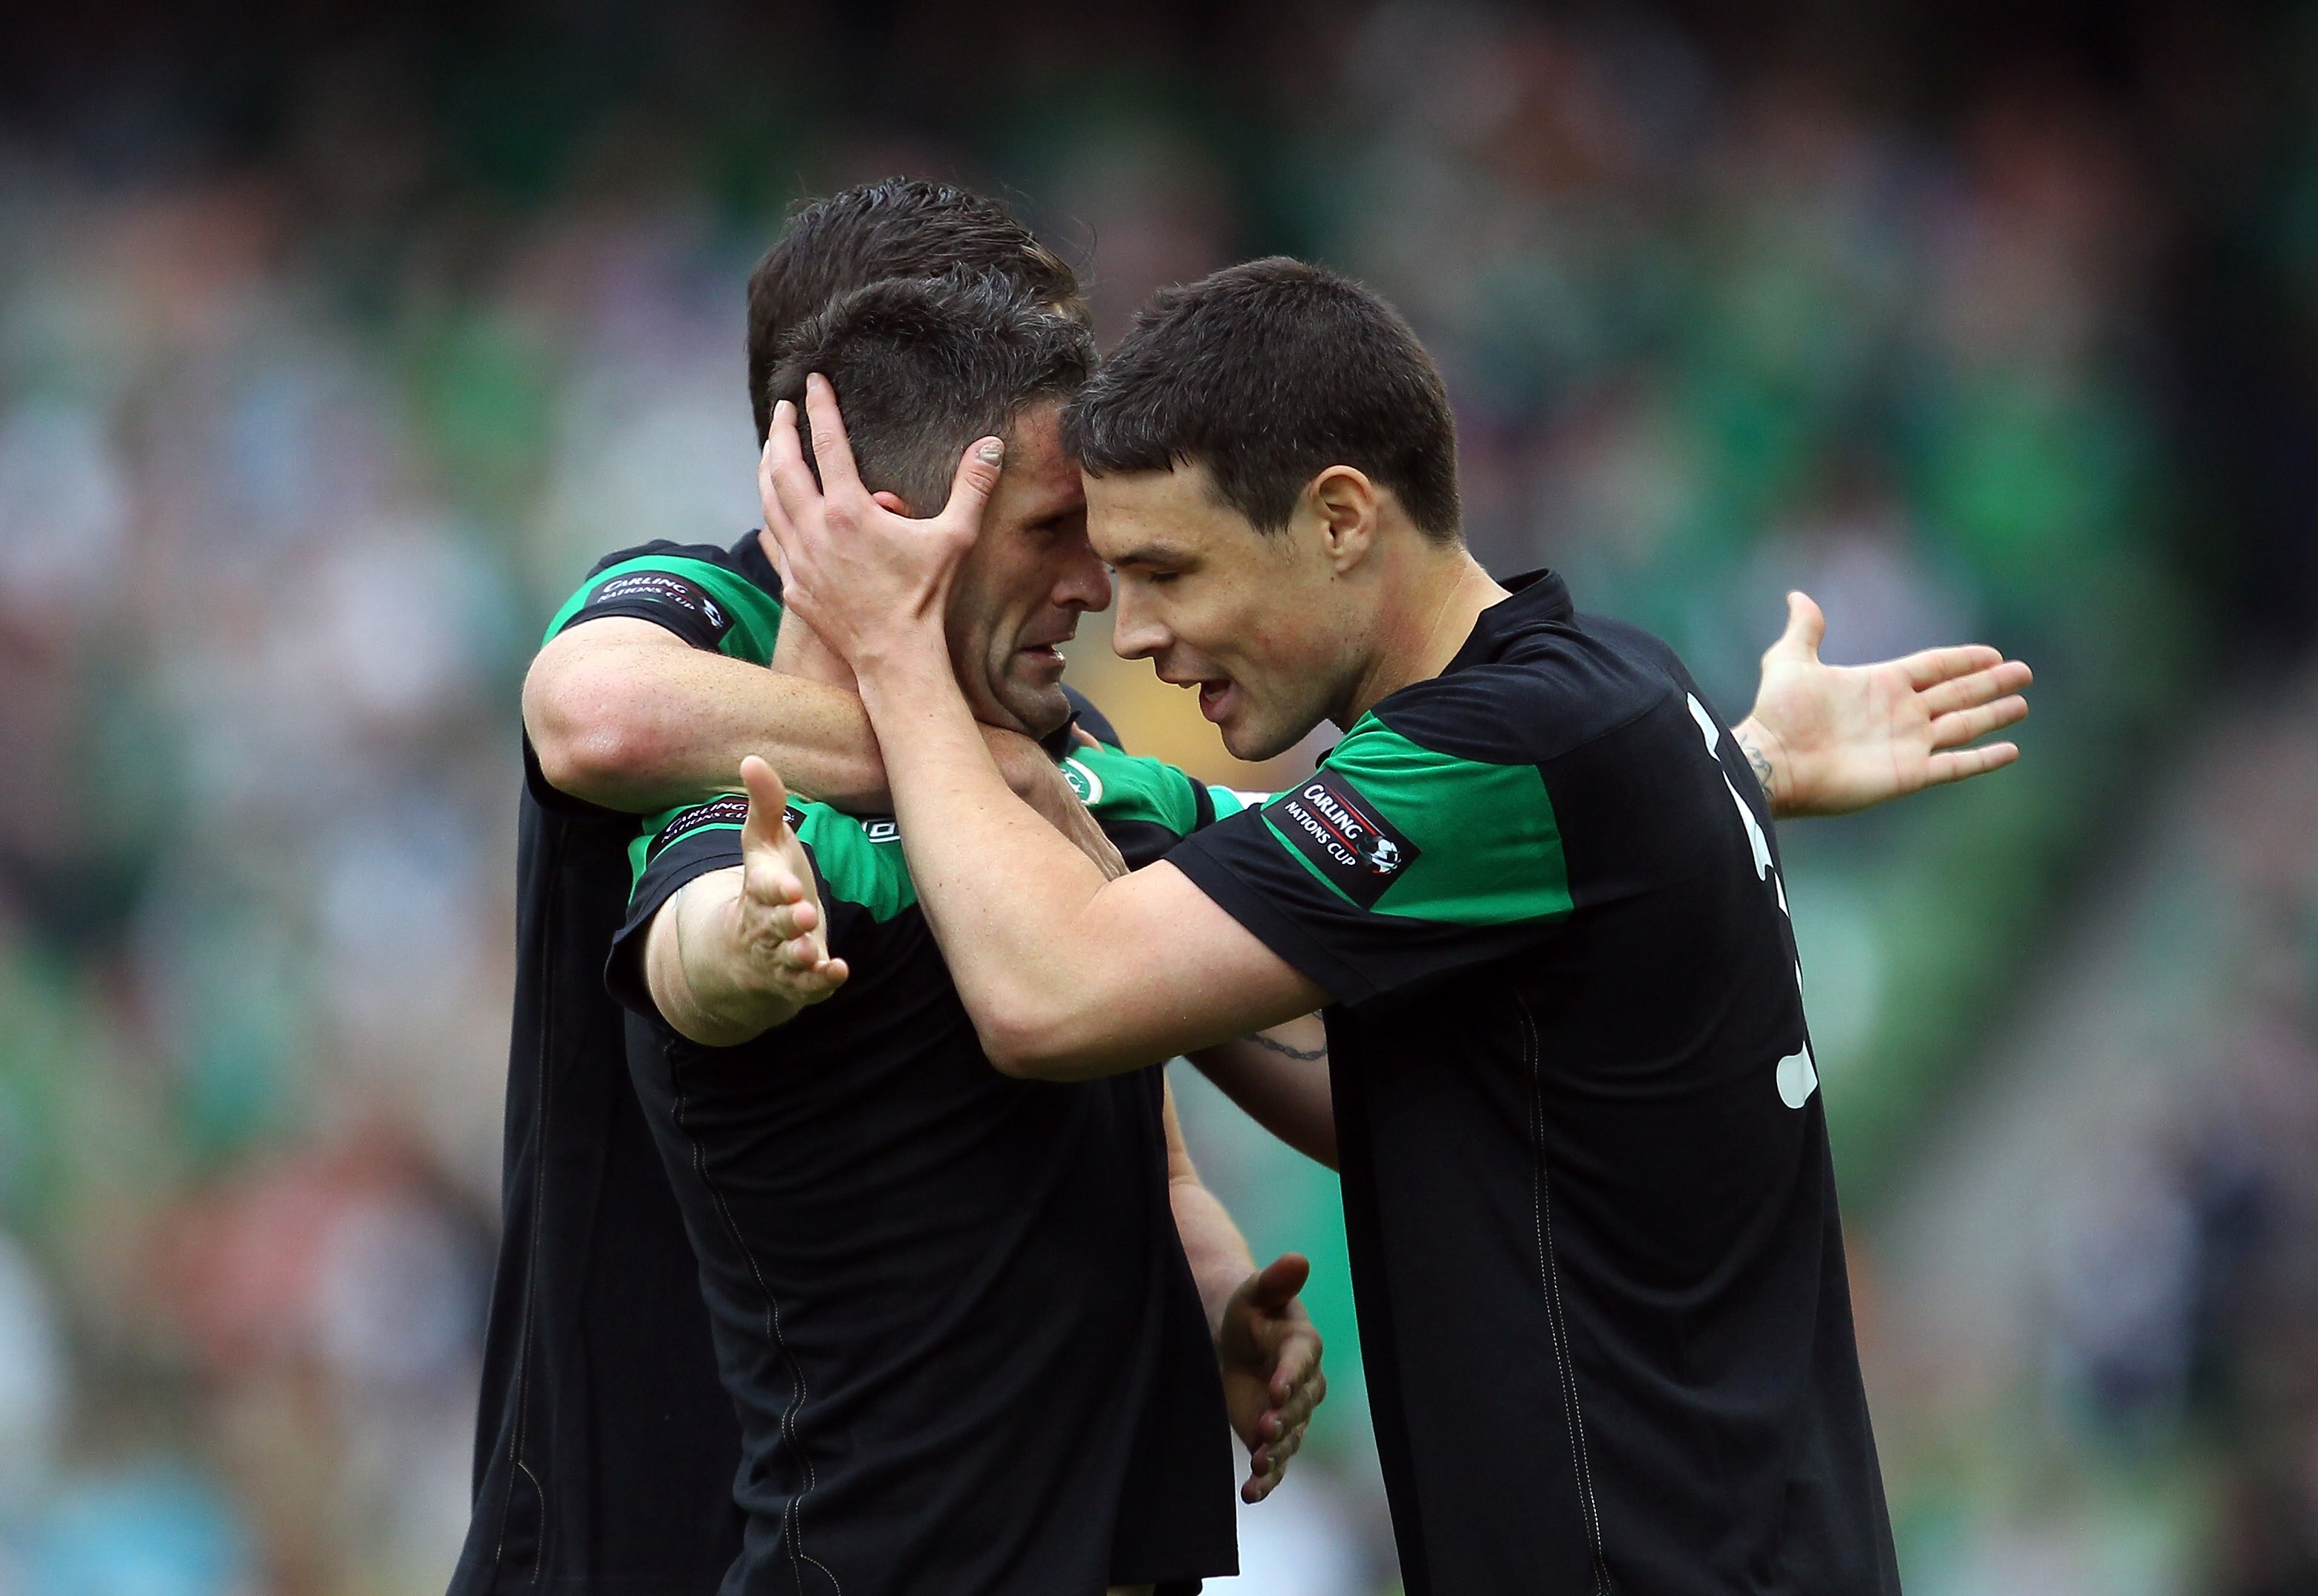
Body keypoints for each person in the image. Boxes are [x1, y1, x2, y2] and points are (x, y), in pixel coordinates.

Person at [759, 256, 2034, 1594]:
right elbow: (1373, 1093)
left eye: (1168, 569)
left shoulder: (1508, 753)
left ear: (1341, 519)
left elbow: (1050, 999)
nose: (1130, 634)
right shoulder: (1608, 699)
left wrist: (898, 650)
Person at [451, 180, 1155, 1596]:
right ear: (850, 444)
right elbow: (588, 716)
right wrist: (973, 769)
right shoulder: (702, 610)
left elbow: (1119, 1003)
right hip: (643, 1490)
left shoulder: (1055, 719)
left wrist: (1192, 1244)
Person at [604, 272, 1343, 1596]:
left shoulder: (1094, 781)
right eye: (1053, 533)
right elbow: (691, 953)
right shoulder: (773, 833)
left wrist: (1208, 1282)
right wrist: (749, 941)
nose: (1094, 589)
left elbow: (1369, 868)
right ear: (893, 536)